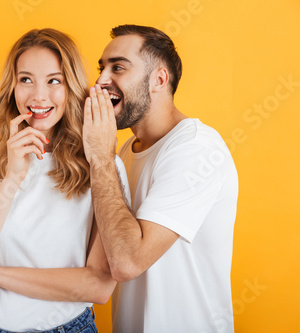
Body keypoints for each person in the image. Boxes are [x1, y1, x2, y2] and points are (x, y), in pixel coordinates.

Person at [0, 28, 130, 333]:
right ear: (11, 87)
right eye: (26, 79)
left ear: (72, 88)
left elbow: (97, 286)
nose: (39, 96)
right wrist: (12, 179)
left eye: (54, 80)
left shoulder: (102, 167)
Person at [82, 24, 239, 332]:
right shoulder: (122, 153)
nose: (100, 81)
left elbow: (127, 262)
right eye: (101, 69)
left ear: (159, 79)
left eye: (118, 68)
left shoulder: (196, 148)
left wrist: (100, 157)